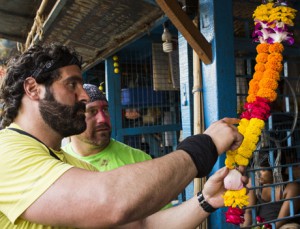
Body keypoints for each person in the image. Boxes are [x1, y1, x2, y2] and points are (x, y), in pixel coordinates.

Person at [0, 43, 244, 228]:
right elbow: (112, 201)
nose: (84, 96)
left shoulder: (72, 165)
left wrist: (205, 201)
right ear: (33, 89)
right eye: (72, 84)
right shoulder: (6, 151)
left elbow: (144, 225)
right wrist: (205, 145)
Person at [63, 83, 172, 209]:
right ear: (72, 118)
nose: (103, 119)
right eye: (92, 111)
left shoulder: (139, 161)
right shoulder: (56, 163)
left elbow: (163, 216)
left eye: (105, 110)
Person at [242, 155, 300, 229]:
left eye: (263, 170)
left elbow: (281, 221)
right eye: (256, 169)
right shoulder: (255, 183)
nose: (257, 174)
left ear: (276, 170)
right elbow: (249, 211)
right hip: (260, 226)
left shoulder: (291, 188)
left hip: (282, 226)